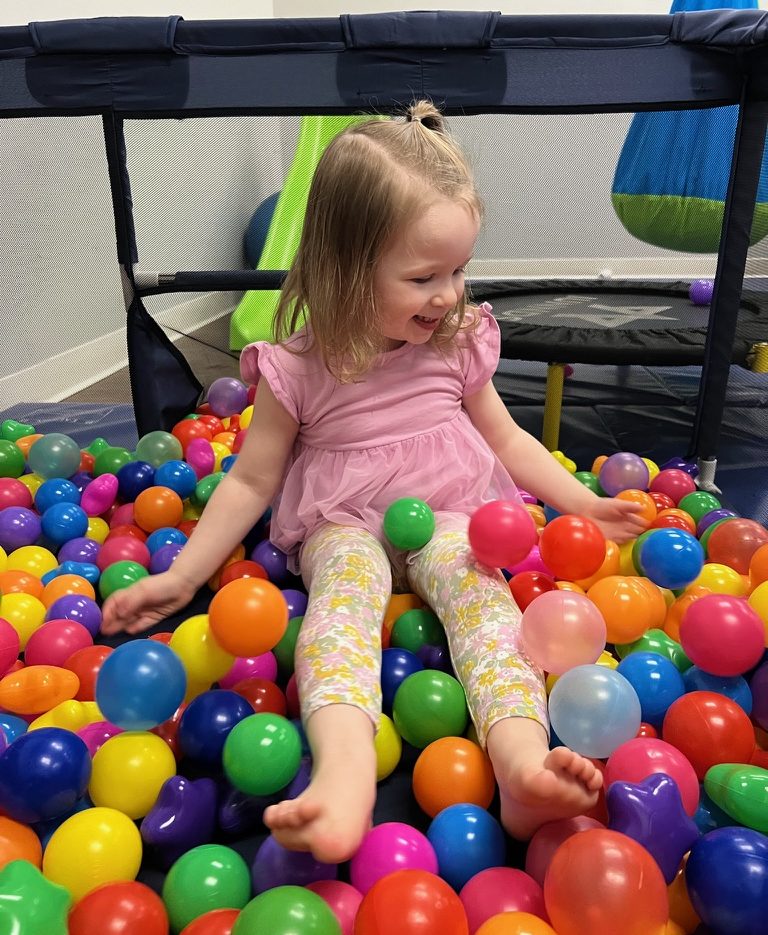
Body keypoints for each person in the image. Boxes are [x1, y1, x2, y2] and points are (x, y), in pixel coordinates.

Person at [102, 100, 647, 864]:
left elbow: (508, 437)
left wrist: (584, 501)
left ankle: (521, 762)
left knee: (484, 602)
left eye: (458, 269)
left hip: (453, 506)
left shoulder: (457, 343)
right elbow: (252, 480)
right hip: (344, 520)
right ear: (346, 268)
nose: (448, 294)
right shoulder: (298, 366)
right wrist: (184, 571)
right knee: (342, 605)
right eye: (424, 275)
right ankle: (346, 772)